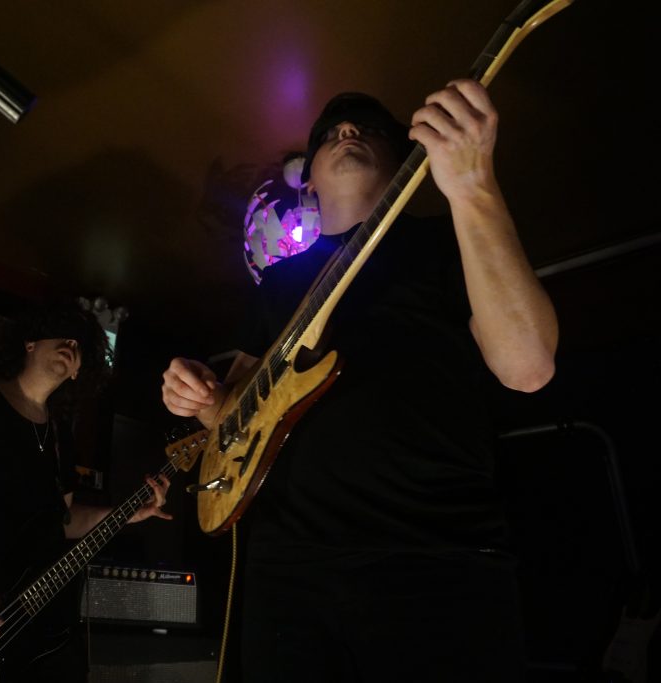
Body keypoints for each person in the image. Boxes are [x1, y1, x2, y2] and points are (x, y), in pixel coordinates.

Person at [162, 79, 558, 682]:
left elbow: (528, 367)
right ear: (309, 178)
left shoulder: (447, 240)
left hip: (436, 560)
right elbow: (230, 419)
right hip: (288, 575)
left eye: (368, 128)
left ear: (406, 160)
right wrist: (200, 399)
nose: (347, 132)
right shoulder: (280, 282)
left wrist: (473, 188)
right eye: (330, 134)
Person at [0, 298, 172, 683]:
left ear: (78, 372)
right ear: (29, 344)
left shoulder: (61, 436)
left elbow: (64, 522)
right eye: (63, 337)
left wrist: (128, 513)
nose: (70, 347)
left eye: (79, 347)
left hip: (34, 628)